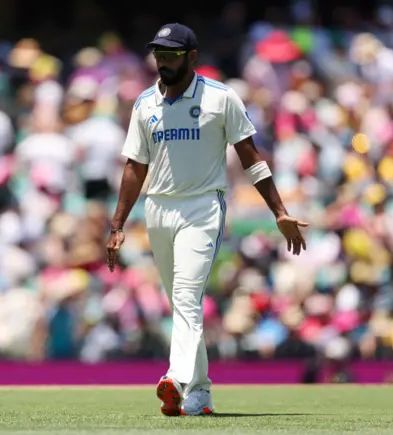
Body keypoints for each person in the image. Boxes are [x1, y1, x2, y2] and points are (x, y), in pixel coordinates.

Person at [105, 23, 308, 416]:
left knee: (186, 296)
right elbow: (134, 167)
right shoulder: (145, 103)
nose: (163, 63)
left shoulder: (221, 98)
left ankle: (176, 379)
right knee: (182, 303)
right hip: (158, 209)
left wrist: (279, 212)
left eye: (172, 55)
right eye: (159, 55)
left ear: (191, 57)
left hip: (203, 207)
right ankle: (199, 393)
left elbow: (251, 157)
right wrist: (117, 225)